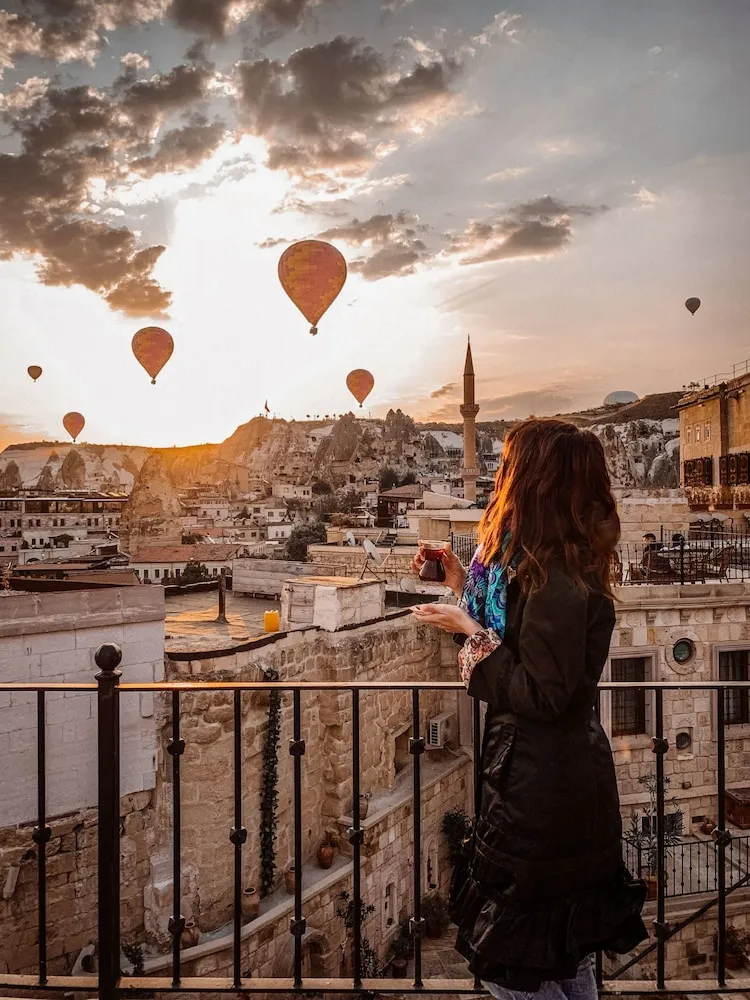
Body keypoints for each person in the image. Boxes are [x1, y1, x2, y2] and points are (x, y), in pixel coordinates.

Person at [410, 418, 647, 999]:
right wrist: (462, 580)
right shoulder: (547, 563)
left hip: (543, 797)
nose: (499, 476)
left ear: (538, 480)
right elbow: (525, 643)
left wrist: (468, 630)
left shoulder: (560, 577)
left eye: (511, 465)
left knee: (511, 969)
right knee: (564, 959)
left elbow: (545, 692)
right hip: (548, 783)